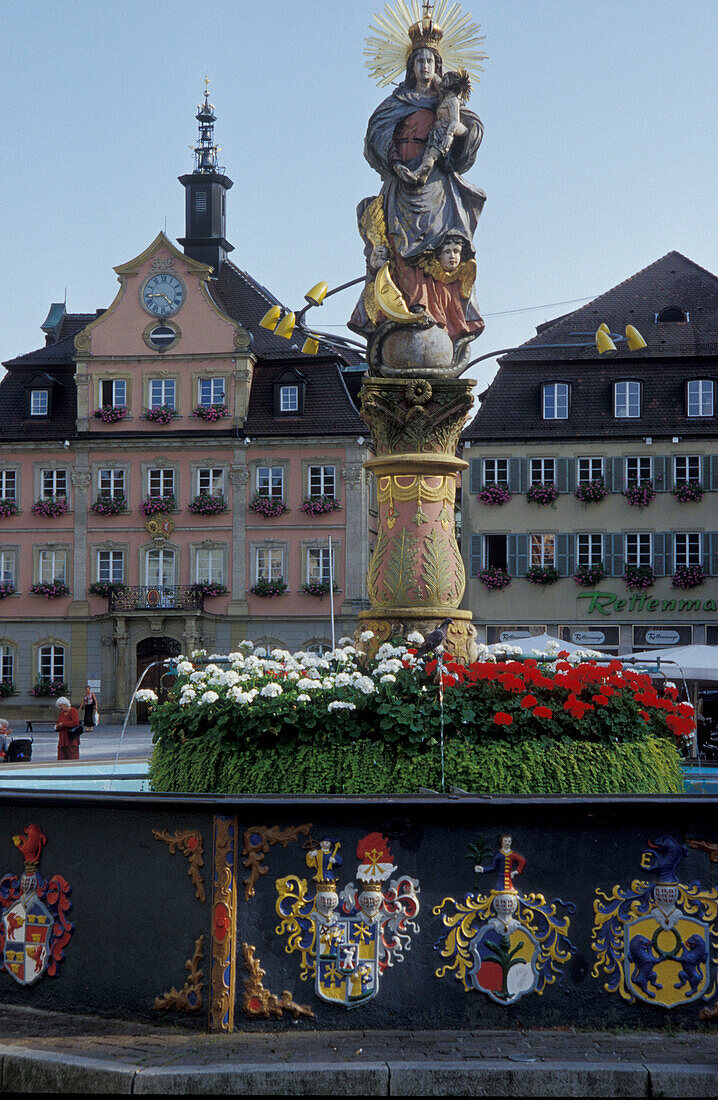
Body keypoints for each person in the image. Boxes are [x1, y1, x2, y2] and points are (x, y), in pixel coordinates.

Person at [356, 44, 486, 342]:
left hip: (436, 184)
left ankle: (440, 317)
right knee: (398, 247)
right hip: (402, 182)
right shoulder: (396, 102)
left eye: (430, 60)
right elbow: (375, 135)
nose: (425, 66)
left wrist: (457, 130)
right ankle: (404, 311)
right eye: (419, 60)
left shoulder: (447, 99)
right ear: (411, 66)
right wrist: (394, 162)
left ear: (437, 66)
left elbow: (471, 129)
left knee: (441, 249)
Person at [54, 697, 82, 762]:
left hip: (71, 739)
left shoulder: (73, 711)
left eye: (61, 706)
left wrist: (63, 724)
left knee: (72, 758)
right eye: (59, 706)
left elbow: (75, 722)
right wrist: (57, 727)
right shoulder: (61, 714)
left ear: (65, 704)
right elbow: (58, 723)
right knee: (61, 759)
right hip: (62, 740)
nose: (60, 708)